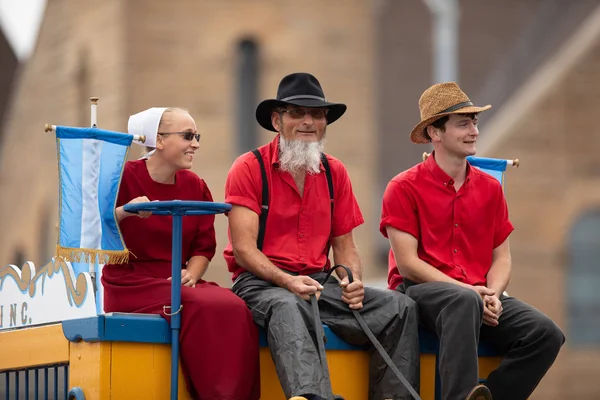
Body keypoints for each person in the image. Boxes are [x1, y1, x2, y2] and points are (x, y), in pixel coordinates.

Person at [224, 72, 420, 400]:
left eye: (316, 114)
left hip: (319, 284)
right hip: (261, 285)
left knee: (400, 307)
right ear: (277, 120)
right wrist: (288, 281)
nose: (308, 122)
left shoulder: (335, 172)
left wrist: (353, 283)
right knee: (289, 306)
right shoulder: (248, 167)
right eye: (297, 113)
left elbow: (346, 246)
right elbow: (244, 250)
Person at [380, 82, 565, 400]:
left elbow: (502, 257)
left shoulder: (491, 189)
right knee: (463, 302)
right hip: (420, 294)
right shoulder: (402, 187)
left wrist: (492, 295)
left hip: (478, 293)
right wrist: (470, 292)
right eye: (463, 123)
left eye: (475, 122)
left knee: (546, 333)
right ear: (435, 133)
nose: (474, 131)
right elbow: (409, 265)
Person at [101, 107, 260, 400]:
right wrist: (126, 211)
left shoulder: (195, 186)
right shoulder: (120, 178)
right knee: (206, 305)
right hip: (130, 281)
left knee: (236, 306)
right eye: (188, 136)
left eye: (197, 136)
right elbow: (94, 230)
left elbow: (203, 247)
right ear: (158, 140)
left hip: (179, 280)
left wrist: (192, 274)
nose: (196, 144)